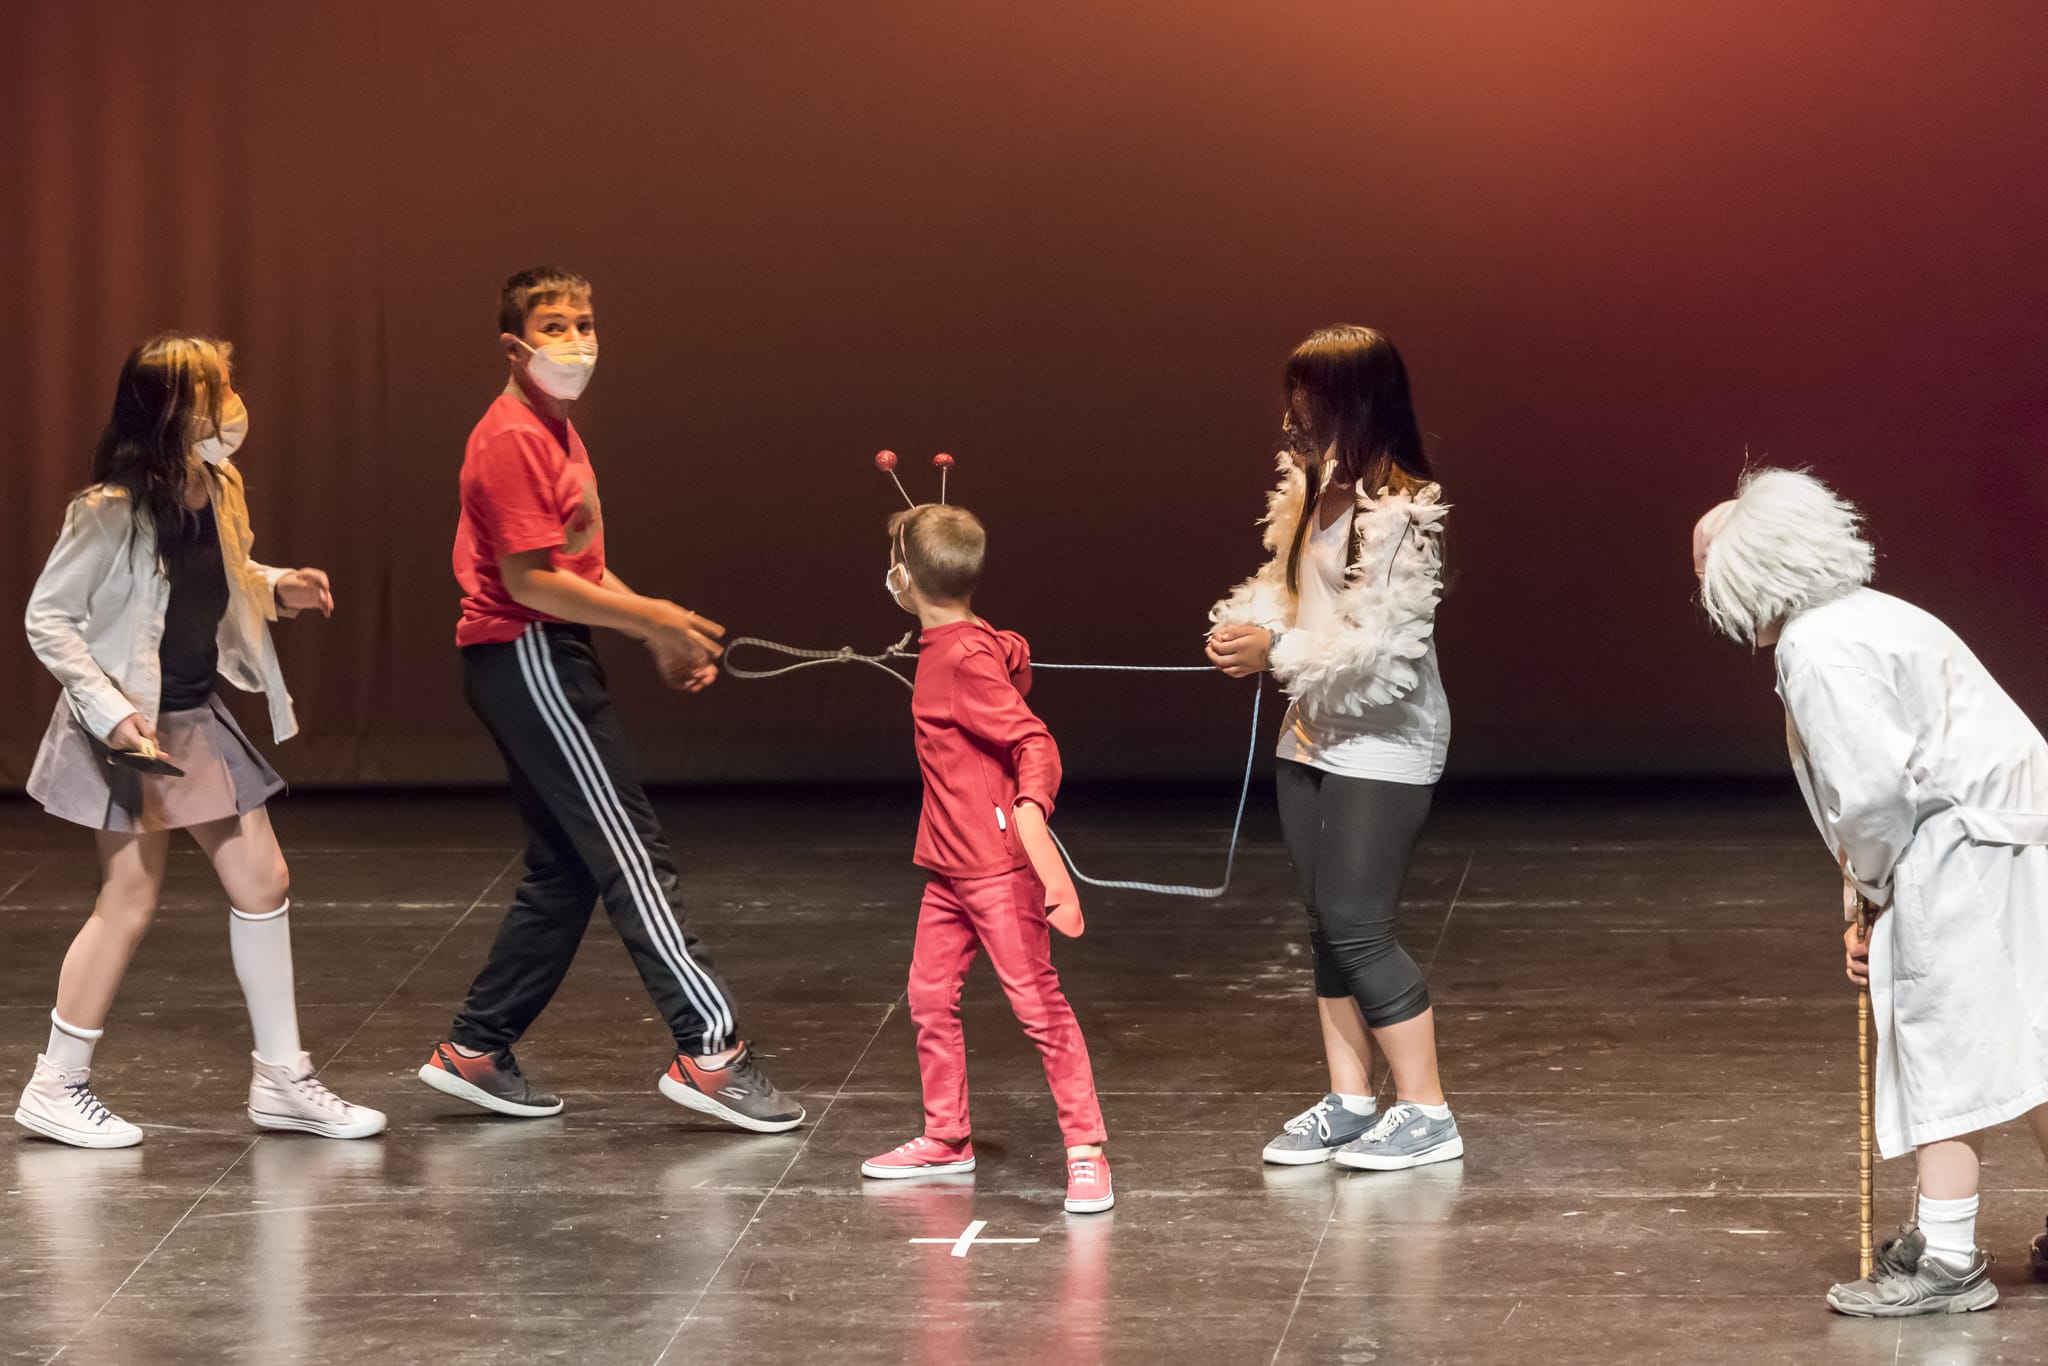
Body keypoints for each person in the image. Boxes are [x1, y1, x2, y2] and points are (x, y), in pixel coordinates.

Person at [417, 267, 801, 1133]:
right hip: (527, 653)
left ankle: (478, 1047)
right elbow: (529, 581)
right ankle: (712, 1052)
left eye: (584, 323)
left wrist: (651, 631)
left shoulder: (556, 431)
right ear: (514, 345)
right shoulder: (510, 438)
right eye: (554, 326)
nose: (575, 340)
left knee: (565, 868)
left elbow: (578, 570)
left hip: (540, 653)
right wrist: (654, 618)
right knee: (632, 855)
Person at [1694, 467, 2048, 1316]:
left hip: (1968, 850)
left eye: (1706, 567)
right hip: (2006, 837)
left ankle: (1949, 1258)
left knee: (1944, 1042)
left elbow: (1876, 797)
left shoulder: (1819, 645)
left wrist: (1877, 898)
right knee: (2031, 1033)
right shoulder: (1867, 618)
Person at [16, 333, 384, 1148]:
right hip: (127, 726)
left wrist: (278, 587)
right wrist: (112, 713)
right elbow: (49, 619)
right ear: (171, 408)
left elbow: (228, 574)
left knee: (263, 880)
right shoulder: (108, 510)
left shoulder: (218, 485)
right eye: (217, 389)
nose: (232, 403)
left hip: (191, 713)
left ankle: (281, 1077)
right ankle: (55, 1085)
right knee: (128, 899)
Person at [1207, 325, 1461, 1171]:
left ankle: (1427, 1111)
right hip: (1311, 732)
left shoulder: (1404, 515)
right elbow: (1294, 597)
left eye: (1308, 402)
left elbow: (1379, 655)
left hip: (1384, 743)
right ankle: (1350, 1101)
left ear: (1355, 404)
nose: (1292, 418)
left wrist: (1274, 652)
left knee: (1358, 925)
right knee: (1325, 927)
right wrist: (1251, 628)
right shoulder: (1314, 491)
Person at [857, 503, 1112, 1213]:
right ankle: (947, 1138)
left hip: (996, 868)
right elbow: (1006, 649)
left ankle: (1087, 1151)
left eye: (894, 564)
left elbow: (1033, 740)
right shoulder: (967, 643)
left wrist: (1031, 807)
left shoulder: (965, 659)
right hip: (948, 865)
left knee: (1037, 1004)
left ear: (907, 578)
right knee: (928, 996)